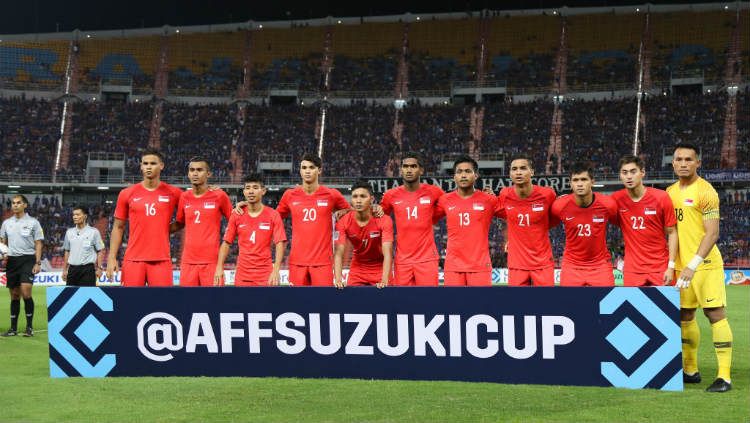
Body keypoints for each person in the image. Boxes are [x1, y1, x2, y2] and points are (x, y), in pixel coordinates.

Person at [667, 143, 733, 393]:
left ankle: (724, 377)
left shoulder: (707, 191)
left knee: (715, 314)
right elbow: (672, 231)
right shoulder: (670, 192)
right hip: (682, 268)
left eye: (688, 159)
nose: (683, 163)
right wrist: (674, 264)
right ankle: (690, 370)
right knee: (685, 316)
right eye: (678, 159)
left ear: (698, 163)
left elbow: (712, 233)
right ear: (672, 163)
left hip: (704, 265)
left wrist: (692, 265)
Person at [106, 148, 182, 286]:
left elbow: (190, 210)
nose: (148, 167)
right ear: (141, 166)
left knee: (162, 305)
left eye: (153, 163)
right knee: (131, 304)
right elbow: (118, 227)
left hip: (161, 260)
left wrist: (165, 229)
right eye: (145, 163)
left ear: (161, 166)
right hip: (133, 260)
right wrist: (111, 258)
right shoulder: (127, 193)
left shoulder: (174, 193)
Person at [276, 153, 350, 286]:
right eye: (304, 168)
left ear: (319, 170)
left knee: (322, 305)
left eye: (311, 167)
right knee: (297, 305)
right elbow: (273, 217)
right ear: (300, 171)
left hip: (323, 263)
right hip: (297, 263)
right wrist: (249, 205)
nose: (307, 171)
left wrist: (345, 211)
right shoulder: (289, 195)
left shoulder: (332, 194)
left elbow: (353, 213)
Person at [611, 155, 677, 286]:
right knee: (633, 307)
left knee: (664, 306)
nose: (629, 176)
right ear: (620, 176)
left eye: (633, 171)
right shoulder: (615, 200)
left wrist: (671, 266)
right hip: (632, 270)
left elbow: (672, 232)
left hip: (660, 267)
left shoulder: (661, 197)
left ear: (642, 173)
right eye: (625, 172)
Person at [379, 152, 444, 286]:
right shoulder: (391, 195)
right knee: (403, 303)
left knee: (429, 302)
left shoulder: (434, 192)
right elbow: (378, 217)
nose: (409, 170)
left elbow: (453, 203)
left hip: (427, 259)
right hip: (402, 260)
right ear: (401, 169)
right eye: (405, 166)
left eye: (413, 166)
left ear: (421, 170)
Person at [551, 162, 618, 286]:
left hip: (600, 266)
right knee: (568, 304)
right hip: (571, 266)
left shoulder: (608, 205)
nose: (580, 184)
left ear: (592, 181)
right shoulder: (559, 206)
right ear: (570, 183)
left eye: (584, 179)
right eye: (575, 180)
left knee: (606, 303)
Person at [494, 154, 557, 286]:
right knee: (518, 305)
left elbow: (556, 216)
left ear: (532, 172)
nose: (518, 172)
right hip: (517, 265)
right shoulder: (504, 194)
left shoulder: (547, 194)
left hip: (543, 264)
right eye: (514, 169)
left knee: (548, 305)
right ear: (510, 174)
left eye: (523, 168)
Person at [435, 156, 498, 286]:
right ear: (454, 177)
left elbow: (512, 213)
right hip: (453, 266)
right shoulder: (444, 200)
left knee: (481, 306)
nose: (463, 175)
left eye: (468, 171)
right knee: (454, 306)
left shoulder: (489, 200)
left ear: (476, 175)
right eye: (459, 172)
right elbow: (426, 218)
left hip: (479, 266)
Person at [216, 174, 286, 286]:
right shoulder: (237, 215)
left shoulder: (273, 215)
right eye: (248, 188)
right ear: (244, 192)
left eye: (255, 187)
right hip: (242, 275)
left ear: (263, 191)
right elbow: (226, 243)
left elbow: (280, 243)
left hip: (265, 275)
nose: (251, 191)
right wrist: (219, 267)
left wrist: (276, 269)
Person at [175, 158, 232, 286]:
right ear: (188, 174)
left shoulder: (219, 196)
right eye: (192, 170)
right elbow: (179, 223)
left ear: (208, 174)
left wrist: (227, 240)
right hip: (188, 262)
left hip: (212, 262)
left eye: (199, 170)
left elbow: (234, 221)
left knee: (215, 303)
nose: (195, 173)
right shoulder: (184, 197)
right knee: (187, 304)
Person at [334, 180, 394, 288]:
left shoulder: (384, 220)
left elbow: (388, 253)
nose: (358, 200)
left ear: (371, 199)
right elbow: (338, 253)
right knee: (353, 303)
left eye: (362, 196)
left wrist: (384, 280)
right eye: (355, 197)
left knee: (385, 302)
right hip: (358, 268)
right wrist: (338, 279)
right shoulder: (343, 221)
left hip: (379, 268)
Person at [0, 195, 43, 337]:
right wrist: (3, 253)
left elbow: (38, 243)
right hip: (12, 261)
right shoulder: (6, 223)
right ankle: (13, 329)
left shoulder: (33, 222)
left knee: (26, 292)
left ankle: (29, 327)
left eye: (18, 203)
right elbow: (3, 242)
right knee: (14, 295)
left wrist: (37, 262)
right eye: (13, 203)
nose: (15, 205)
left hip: (28, 259)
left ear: (25, 205)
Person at [62, 206, 105, 286]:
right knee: (71, 297)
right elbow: (67, 251)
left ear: (85, 216)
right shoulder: (69, 232)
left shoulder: (94, 232)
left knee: (87, 296)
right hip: (72, 270)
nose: (75, 217)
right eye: (74, 215)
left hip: (87, 270)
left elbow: (100, 251)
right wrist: (64, 269)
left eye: (78, 215)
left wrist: (99, 268)